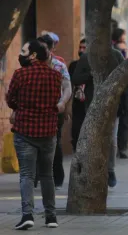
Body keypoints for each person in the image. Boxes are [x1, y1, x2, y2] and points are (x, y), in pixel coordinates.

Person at [7, 40, 62, 230]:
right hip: (48, 132)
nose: (21, 54)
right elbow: (56, 100)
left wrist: (18, 108)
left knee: (27, 175)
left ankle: (27, 214)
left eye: (24, 51)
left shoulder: (20, 75)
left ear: (33, 55)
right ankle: (51, 217)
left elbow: (10, 98)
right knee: (48, 175)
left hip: (25, 132)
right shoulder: (56, 76)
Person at [72, 45, 126, 187]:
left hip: (113, 105)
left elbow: (126, 76)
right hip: (92, 106)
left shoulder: (116, 55)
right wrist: (91, 74)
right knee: (92, 139)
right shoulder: (86, 57)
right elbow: (76, 78)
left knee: (112, 140)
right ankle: (91, 171)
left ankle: (110, 170)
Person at [37, 34, 72, 190]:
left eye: (43, 47)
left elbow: (67, 87)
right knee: (34, 143)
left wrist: (63, 103)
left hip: (54, 110)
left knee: (54, 143)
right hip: (34, 110)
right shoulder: (29, 66)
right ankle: (37, 175)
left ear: (51, 49)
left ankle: (57, 177)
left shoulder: (59, 66)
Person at [68, 39, 87, 152]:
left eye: (84, 48)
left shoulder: (96, 67)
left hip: (91, 103)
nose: (81, 50)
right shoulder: (74, 65)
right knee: (76, 130)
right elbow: (69, 84)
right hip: (77, 104)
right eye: (80, 47)